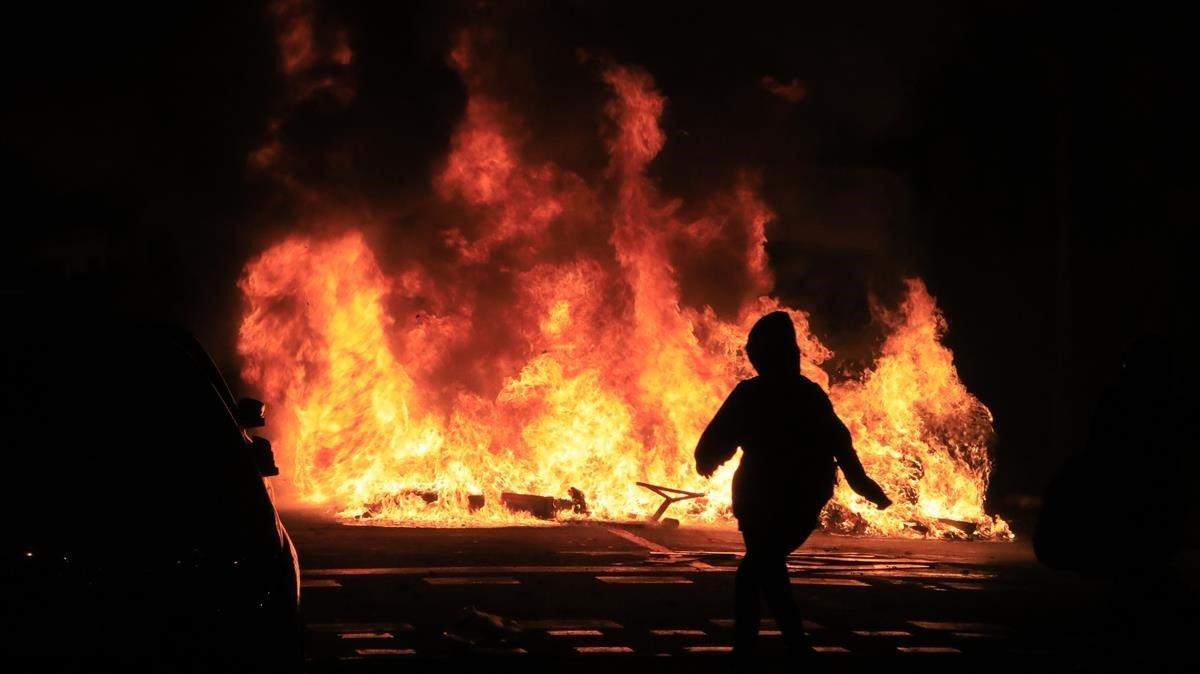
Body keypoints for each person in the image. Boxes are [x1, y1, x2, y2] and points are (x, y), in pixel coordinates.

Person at [695, 311, 892, 661]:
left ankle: (759, 652)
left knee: (757, 571)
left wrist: (707, 460)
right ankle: (792, 649)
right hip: (792, 503)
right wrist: (864, 486)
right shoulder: (807, 396)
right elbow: (841, 446)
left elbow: (714, 444)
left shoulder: (755, 395)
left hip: (771, 502)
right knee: (766, 571)